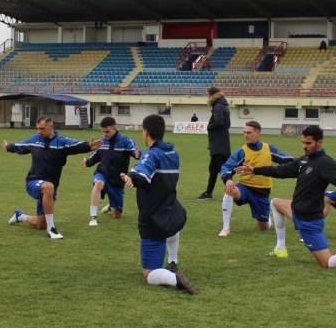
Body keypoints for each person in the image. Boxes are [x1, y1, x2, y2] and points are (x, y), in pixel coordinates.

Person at [236, 125, 336, 270]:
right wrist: (255, 170)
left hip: (309, 222)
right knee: (276, 203)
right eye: (303, 142)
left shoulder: (325, 163)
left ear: (319, 142)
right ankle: (280, 248)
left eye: (309, 143)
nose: (305, 146)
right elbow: (281, 171)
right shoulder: (304, 160)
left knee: (328, 263)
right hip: (296, 211)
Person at [121, 114, 197, 294]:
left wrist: (131, 176)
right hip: (171, 211)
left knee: (149, 274)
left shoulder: (151, 154)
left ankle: (174, 278)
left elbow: (142, 172)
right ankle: (173, 261)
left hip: (153, 218)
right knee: (172, 231)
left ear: (145, 132)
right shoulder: (173, 152)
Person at [4, 116, 100, 239]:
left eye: (42, 128)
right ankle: (52, 229)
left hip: (50, 189)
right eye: (37, 128)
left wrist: (88, 146)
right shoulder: (35, 140)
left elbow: (76, 145)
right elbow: (19, 145)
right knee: (48, 186)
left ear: (51, 126)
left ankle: (20, 216)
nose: (39, 131)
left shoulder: (61, 142)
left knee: (40, 224)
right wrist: (8, 147)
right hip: (33, 182)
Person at [217, 120, 292, 237]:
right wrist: (228, 179)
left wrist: (303, 162)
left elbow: (286, 159)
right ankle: (225, 228)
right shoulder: (242, 151)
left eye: (249, 132)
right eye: (244, 132)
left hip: (262, 192)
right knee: (230, 189)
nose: (245, 135)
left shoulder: (268, 148)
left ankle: (267, 218)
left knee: (264, 227)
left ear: (258, 133)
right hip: (244, 188)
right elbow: (226, 166)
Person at [82, 116, 139, 225]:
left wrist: (137, 153)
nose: (105, 134)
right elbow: (95, 157)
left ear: (114, 128)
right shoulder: (102, 141)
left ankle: (111, 206)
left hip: (117, 180)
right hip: (102, 173)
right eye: (103, 132)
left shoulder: (126, 141)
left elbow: (135, 151)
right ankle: (93, 217)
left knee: (117, 215)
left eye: (107, 131)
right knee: (98, 184)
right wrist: (87, 162)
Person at [197, 86, 230, 200]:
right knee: (215, 169)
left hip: (218, 144)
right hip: (222, 142)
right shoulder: (223, 105)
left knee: (220, 170)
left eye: (207, 94)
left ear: (212, 95)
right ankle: (209, 192)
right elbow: (227, 124)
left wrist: (209, 127)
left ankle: (230, 192)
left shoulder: (218, 106)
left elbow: (219, 122)